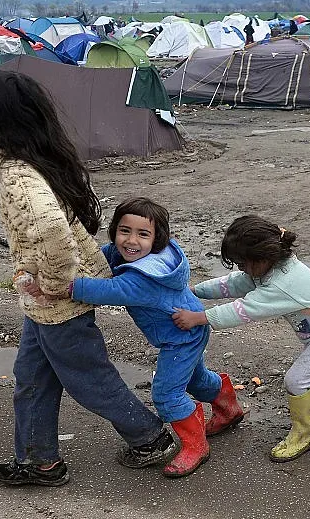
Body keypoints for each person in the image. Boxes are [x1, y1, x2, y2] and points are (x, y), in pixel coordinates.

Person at [0, 70, 175, 487]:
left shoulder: (17, 174)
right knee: (31, 379)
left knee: (90, 380)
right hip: (44, 306)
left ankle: (151, 437)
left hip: (57, 305)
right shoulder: (23, 159)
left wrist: (53, 283)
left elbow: (51, 229)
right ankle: (39, 461)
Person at [69, 197, 244, 477]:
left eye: (143, 234)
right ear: (114, 230)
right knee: (196, 380)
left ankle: (195, 446)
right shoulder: (138, 255)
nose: (131, 241)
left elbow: (107, 291)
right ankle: (229, 408)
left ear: (158, 240)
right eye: (124, 231)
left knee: (166, 394)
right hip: (189, 328)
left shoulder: (142, 279)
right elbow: (105, 256)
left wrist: (66, 287)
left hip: (181, 337)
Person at [172, 216, 310, 462]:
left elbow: (242, 310)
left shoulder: (283, 284)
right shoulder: (271, 265)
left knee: (296, 380)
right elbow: (233, 284)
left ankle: (304, 434)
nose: (240, 268)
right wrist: (195, 290)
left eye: (241, 262)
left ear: (262, 257)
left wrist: (198, 317)